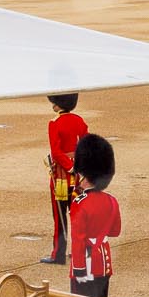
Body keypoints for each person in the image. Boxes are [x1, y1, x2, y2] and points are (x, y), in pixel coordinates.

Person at [62, 134, 120, 297]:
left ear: (85, 175)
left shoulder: (80, 203)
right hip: (104, 261)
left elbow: (77, 241)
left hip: (84, 264)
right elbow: (115, 231)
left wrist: (77, 270)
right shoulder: (111, 201)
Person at [42, 93, 88, 262]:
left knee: (59, 215)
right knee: (78, 214)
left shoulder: (54, 123)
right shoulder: (79, 120)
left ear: (58, 104)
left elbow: (56, 152)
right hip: (78, 177)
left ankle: (59, 254)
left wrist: (69, 166)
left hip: (62, 175)